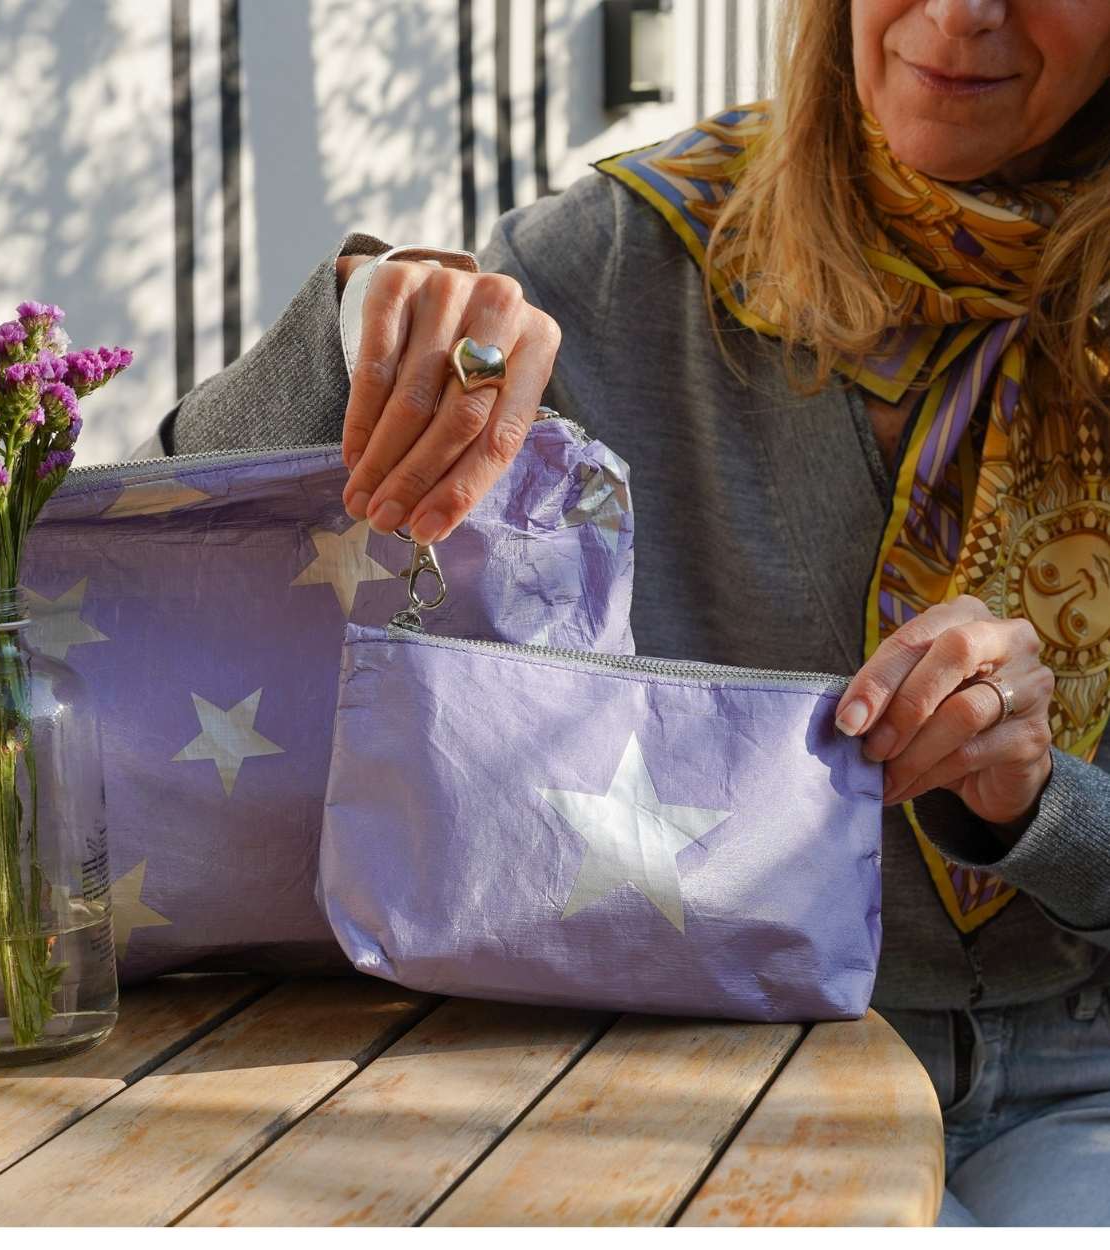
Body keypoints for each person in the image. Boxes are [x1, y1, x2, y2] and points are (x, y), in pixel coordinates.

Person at [144, 0, 1110, 1226]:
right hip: (710, 1058)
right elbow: (143, 548)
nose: (965, 11)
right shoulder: (614, 260)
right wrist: (351, 333)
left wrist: (1041, 802)